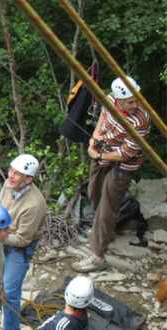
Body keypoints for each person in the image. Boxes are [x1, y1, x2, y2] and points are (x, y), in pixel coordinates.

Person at [72, 76, 150, 273]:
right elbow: (102, 121)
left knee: (107, 207)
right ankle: (106, 230)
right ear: (118, 100)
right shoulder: (109, 101)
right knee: (93, 193)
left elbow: (126, 153)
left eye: (136, 99)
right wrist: (94, 140)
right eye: (131, 101)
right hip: (101, 154)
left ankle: (98, 256)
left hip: (123, 166)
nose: (136, 104)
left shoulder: (141, 118)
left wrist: (98, 153)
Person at [0, 154, 47, 330]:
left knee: (10, 292)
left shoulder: (34, 204)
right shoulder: (8, 184)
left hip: (19, 247)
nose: (10, 175)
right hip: (1, 235)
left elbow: (23, 239)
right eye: (11, 170)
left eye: (17, 173)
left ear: (28, 179)